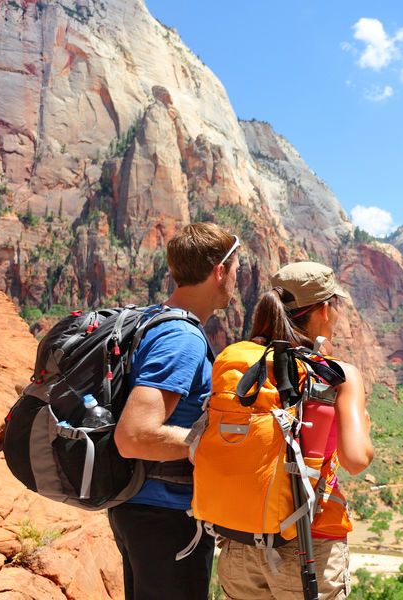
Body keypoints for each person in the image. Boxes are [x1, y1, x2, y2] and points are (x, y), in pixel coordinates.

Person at [217, 261, 375, 600]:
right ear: (322, 310)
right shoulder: (336, 374)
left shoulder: (241, 362)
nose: (337, 314)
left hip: (239, 542)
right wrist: (363, 422)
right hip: (309, 544)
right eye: (336, 305)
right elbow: (357, 459)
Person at [109, 222, 240, 600]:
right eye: (235, 270)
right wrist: (216, 442)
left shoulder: (155, 318)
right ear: (219, 272)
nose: (236, 279)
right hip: (163, 514)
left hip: (142, 508)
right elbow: (134, 435)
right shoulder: (181, 338)